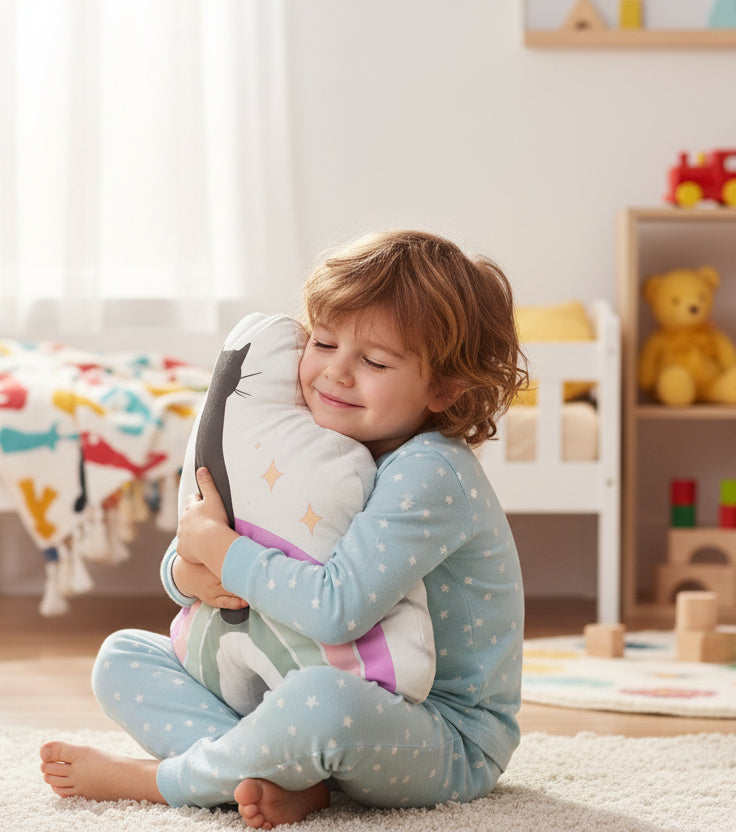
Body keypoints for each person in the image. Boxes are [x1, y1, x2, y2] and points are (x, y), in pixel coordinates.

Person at [40, 229, 528, 829]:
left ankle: (170, 780)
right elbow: (220, 548)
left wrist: (221, 550)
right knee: (122, 657)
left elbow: (336, 610)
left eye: (375, 361)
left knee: (321, 705)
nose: (336, 373)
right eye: (323, 342)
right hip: (293, 684)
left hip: (439, 732)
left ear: (444, 388)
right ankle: (277, 772)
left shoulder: (431, 471)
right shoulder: (316, 443)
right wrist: (188, 572)